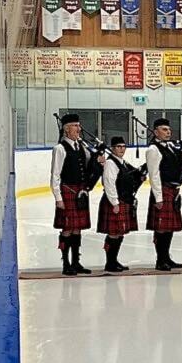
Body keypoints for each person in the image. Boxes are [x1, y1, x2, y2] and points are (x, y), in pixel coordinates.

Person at [51, 113, 105, 275]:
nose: (78, 129)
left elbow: (90, 165)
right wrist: (58, 198)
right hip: (68, 191)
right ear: (66, 129)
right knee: (67, 229)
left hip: (80, 192)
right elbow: (55, 175)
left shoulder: (81, 146)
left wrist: (98, 160)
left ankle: (76, 262)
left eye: (79, 126)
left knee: (77, 229)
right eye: (75, 126)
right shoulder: (59, 149)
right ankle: (66, 263)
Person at [145, 118, 182, 271]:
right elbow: (154, 174)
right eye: (164, 129)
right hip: (163, 190)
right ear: (156, 131)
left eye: (169, 129)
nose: (168, 132)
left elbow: (180, 164)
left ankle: (167, 258)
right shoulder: (153, 149)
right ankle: (160, 260)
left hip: (173, 190)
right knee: (161, 228)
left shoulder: (171, 146)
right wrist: (158, 197)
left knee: (169, 228)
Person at [97, 136, 145, 272]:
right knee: (113, 233)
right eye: (118, 147)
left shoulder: (122, 162)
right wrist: (114, 202)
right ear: (112, 148)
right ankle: (110, 263)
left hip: (123, 199)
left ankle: (114, 261)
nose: (121, 149)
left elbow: (132, 175)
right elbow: (109, 183)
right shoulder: (111, 163)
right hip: (115, 201)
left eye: (123, 146)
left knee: (119, 232)